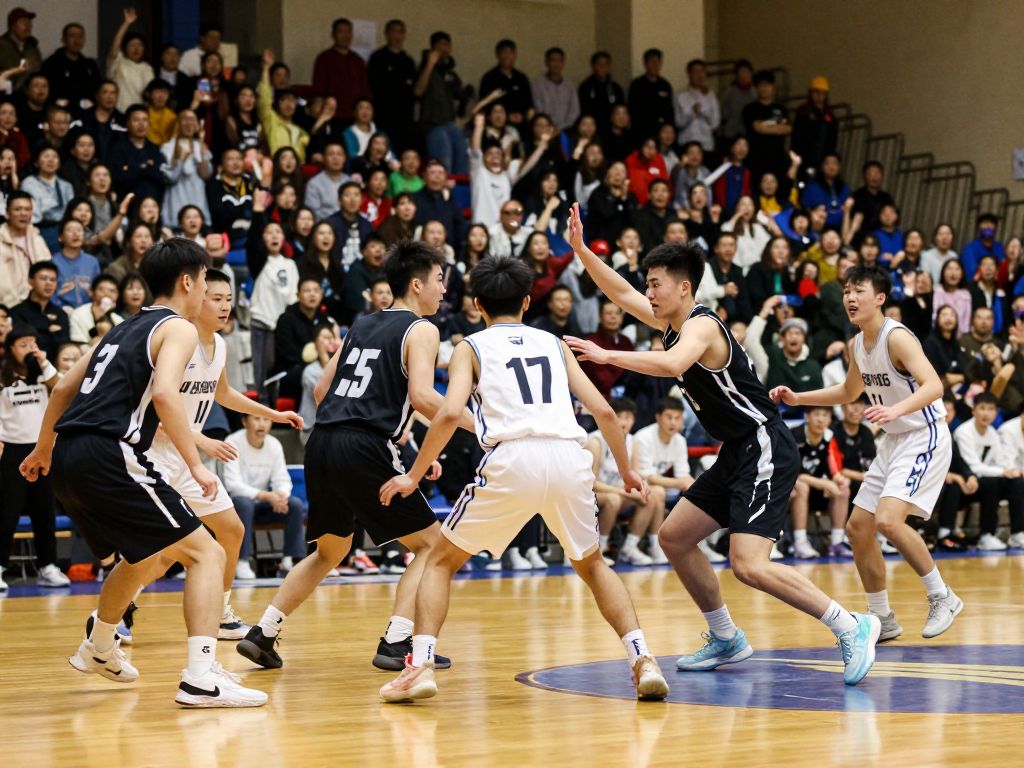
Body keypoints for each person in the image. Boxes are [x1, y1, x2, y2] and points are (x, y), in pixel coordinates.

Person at [563, 202, 879, 686]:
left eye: (656, 284)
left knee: (749, 564)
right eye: (648, 284)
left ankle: (850, 624)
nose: (647, 292)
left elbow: (671, 366)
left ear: (684, 287)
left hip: (764, 443)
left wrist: (606, 354)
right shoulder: (669, 322)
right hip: (736, 450)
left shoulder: (702, 326)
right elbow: (620, 290)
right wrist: (582, 250)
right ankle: (726, 636)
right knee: (674, 536)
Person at [378, 256, 668, 703]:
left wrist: (413, 475)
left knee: (438, 561)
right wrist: (627, 469)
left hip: (513, 457)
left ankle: (421, 666)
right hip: (570, 457)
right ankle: (642, 658)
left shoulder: (469, 347)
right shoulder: (553, 343)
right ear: (529, 301)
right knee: (592, 565)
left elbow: (451, 412)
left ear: (477, 305)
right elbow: (605, 412)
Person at [19, 238, 268, 706]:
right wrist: (197, 466)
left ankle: (97, 646)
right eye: (204, 283)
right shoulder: (179, 329)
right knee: (208, 555)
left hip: (71, 455)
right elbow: (166, 397)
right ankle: (201, 677)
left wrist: (44, 450)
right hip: (111, 451)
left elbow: (62, 390)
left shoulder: (118, 330)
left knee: (143, 559)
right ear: (188, 281)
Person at [236, 241, 471, 674]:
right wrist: (478, 426)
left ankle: (263, 632)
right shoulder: (422, 330)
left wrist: (396, 438)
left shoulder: (362, 324)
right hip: (363, 444)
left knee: (330, 551)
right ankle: (398, 641)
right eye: (439, 281)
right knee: (433, 546)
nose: (443, 291)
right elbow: (421, 396)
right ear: (417, 284)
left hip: (323, 441)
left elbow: (322, 391)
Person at [772, 265, 961, 642]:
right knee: (858, 528)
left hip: (924, 434)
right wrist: (799, 399)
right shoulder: (858, 343)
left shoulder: (898, 338)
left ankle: (943, 596)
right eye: (846, 291)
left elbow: (935, 385)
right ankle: (882, 619)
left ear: (880, 298)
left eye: (859, 290)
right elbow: (847, 392)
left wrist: (896, 409)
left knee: (889, 521)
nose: (850, 298)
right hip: (894, 440)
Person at [0, 326, 66, 591]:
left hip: (42, 449)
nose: (29, 348)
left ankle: (48, 566)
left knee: (45, 510)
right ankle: (1, 565)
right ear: (10, 349)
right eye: (23, 344)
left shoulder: (43, 374)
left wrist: (43, 361)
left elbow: (64, 388)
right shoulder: (3, 376)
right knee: (7, 512)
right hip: (12, 450)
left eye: (33, 343)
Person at [224, 413, 307, 578]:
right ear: (244, 421)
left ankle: (289, 561)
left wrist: (280, 496)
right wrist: (265, 495)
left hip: (264, 504)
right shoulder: (232, 442)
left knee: (294, 504)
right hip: (235, 505)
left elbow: (282, 479)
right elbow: (232, 485)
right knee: (244, 503)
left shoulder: (274, 444)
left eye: (266, 419)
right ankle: (242, 562)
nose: (261, 424)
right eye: (256, 419)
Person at [587, 397, 660, 567]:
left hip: (616, 493)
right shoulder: (596, 442)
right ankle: (600, 549)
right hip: (592, 494)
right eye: (619, 416)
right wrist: (619, 491)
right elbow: (590, 484)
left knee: (651, 495)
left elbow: (635, 475)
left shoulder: (632, 441)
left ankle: (630, 548)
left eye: (628, 417)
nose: (623, 422)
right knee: (614, 499)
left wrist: (641, 488)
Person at [953, 393, 1024, 551]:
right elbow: (973, 467)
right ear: (973, 411)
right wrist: (1004, 472)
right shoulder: (964, 432)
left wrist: (1011, 471)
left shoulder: (992, 433)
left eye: (991, 409)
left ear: (996, 413)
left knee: (1018, 483)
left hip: (985, 481)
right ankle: (986, 535)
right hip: (965, 483)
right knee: (991, 481)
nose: (986, 413)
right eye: (982, 408)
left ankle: (1018, 534)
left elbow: (1001, 463)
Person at [788, 404, 851, 559]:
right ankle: (800, 543)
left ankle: (837, 542)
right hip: (791, 489)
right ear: (807, 417)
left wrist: (840, 480)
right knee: (802, 486)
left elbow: (834, 468)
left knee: (843, 490)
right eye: (817, 415)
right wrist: (823, 483)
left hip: (817, 490)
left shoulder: (829, 437)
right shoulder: (793, 436)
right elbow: (791, 472)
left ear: (830, 419)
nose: (821, 420)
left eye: (825, 415)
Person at [414, 32, 470, 176]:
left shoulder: (450, 73)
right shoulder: (424, 68)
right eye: (440, 44)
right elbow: (418, 91)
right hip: (431, 125)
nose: (444, 47)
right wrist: (430, 64)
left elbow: (461, 98)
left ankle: (458, 193)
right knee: (444, 162)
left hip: (449, 123)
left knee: (462, 153)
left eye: (447, 44)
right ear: (433, 47)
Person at [312, 18, 371, 122]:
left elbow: (364, 89)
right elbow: (318, 90)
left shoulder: (357, 60)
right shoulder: (324, 58)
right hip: (333, 116)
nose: (345, 36)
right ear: (333, 35)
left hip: (355, 117)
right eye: (341, 32)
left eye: (348, 32)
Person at [11, 261, 70, 359]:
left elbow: (65, 346)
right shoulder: (16, 312)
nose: (48, 283)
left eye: (53, 280)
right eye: (43, 278)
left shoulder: (61, 314)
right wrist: (49, 332)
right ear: (31, 281)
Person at [43, 22, 101, 114]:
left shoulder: (89, 65)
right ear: (64, 39)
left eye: (80, 36)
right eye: (72, 36)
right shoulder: (52, 63)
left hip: (86, 114)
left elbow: (98, 89)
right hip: (60, 113)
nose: (76, 40)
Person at [479, 39, 533, 126]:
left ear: (515, 55)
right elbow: (485, 105)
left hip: (522, 125)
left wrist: (523, 116)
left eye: (510, 53)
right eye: (504, 52)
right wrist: (507, 116)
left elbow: (529, 104)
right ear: (497, 55)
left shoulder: (521, 78)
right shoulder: (489, 78)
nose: (507, 56)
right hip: (497, 125)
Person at [673, 59, 719, 153]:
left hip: (706, 145)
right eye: (695, 71)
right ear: (689, 74)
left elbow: (715, 123)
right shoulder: (680, 96)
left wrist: (703, 112)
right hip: (686, 143)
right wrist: (692, 113)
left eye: (702, 71)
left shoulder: (711, 95)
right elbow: (678, 123)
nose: (699, 75)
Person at [532, 47, 579, 133]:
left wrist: (560, 127)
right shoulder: (538, 84)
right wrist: (549, 127)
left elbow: (574, 111)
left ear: (563, 63)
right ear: (546, 62)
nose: (556, 64)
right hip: (544, 130)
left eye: (559, 60)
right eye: (553, 60)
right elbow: (538, 109)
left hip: (567, 130)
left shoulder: (569, 85)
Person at [69, 273, 121, 348]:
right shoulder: (78, 314)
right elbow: (78, 345)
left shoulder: (119, 320)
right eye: (102, 290)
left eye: (112, 291)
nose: (107, 294)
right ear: (91, 291)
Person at [578, 51, 624, 132]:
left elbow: (620, 108)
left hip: (612, 130)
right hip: (592, 130)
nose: (603, 67)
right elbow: (583, 110)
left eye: (606, 64)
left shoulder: (615, 88)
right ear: (593, 66)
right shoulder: (585, 87)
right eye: (599, 64)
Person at [960, 213, 1006, 280]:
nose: (988, 226)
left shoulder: (1000, 248)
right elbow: (970, 274)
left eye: (991, 223)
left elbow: (1003, 271)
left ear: (995, 228)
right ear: (979, 227)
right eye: (984, 223)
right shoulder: (970, 248)